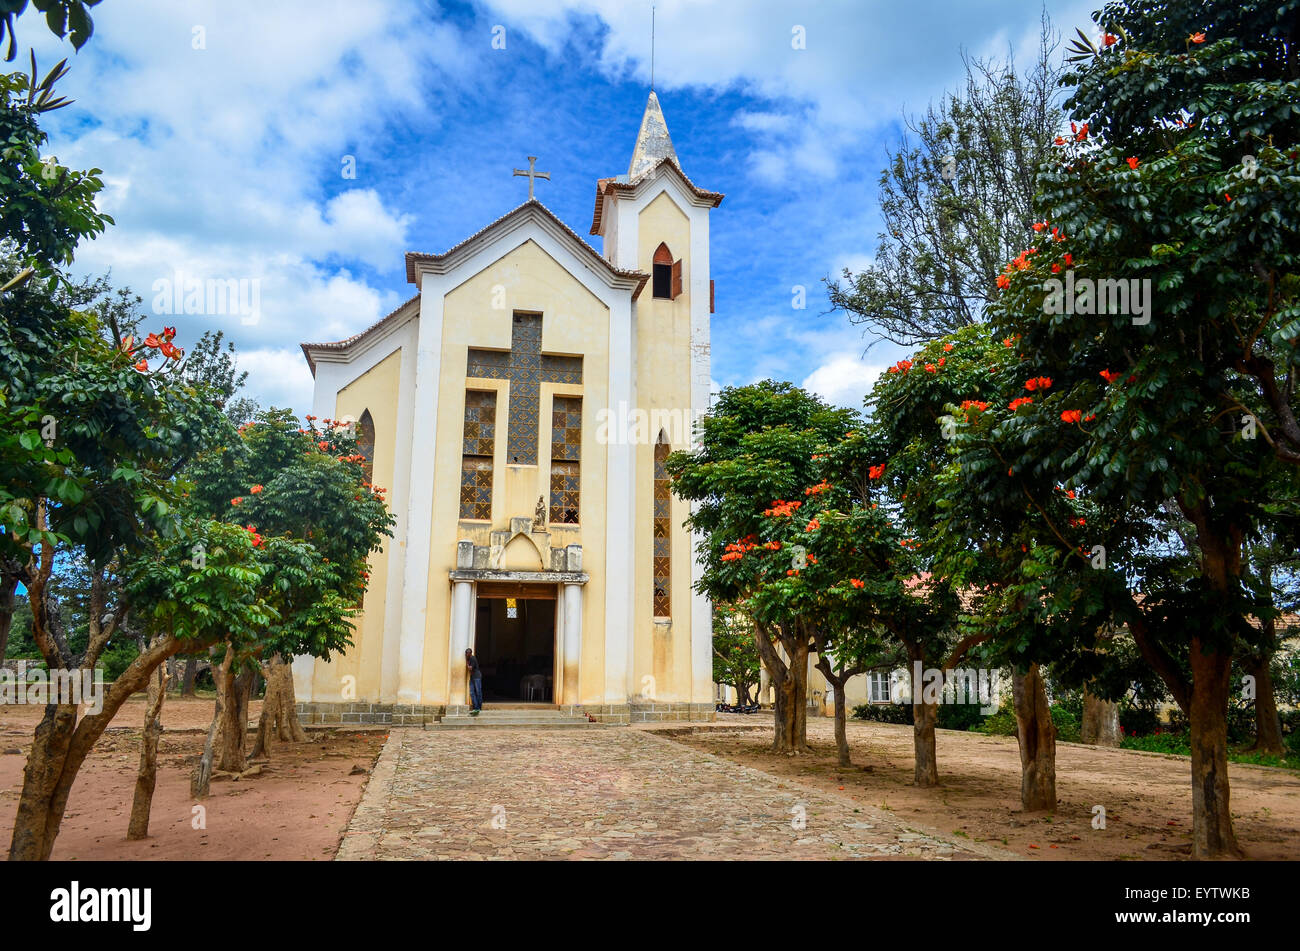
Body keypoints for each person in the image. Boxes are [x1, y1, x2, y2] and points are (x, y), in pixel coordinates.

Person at [465, 647, 482, 716]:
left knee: (478, 692)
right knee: (472, 692)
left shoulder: (472, 658)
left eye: (468, 653)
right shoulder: (469, 659)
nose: (466, 654)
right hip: (472, 677)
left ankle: (479, 707)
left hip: (477, 677)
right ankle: (476, 707)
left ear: (470, 653)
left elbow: (470, 668)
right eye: (466, 653)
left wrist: (467, 663)